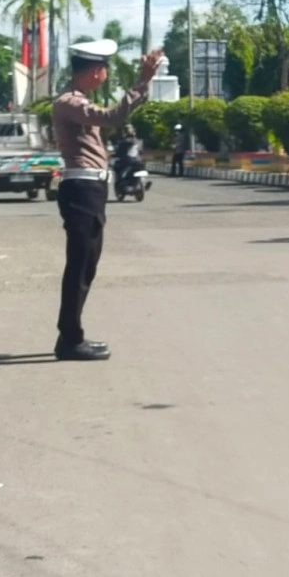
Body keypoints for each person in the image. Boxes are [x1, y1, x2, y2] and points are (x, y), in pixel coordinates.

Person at [51, 40, 164, 361]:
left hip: (91, 188)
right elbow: (113, 117)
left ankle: (71, 335)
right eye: (104, 68)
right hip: (82, 188)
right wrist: (143, 81)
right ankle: (70, 339)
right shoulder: (69, 102)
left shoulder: (78, 100)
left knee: (87, 264)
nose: (106, 74)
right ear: (95, 71)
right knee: (80, 264)